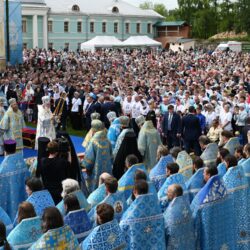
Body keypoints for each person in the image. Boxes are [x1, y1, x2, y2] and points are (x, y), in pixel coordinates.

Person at [191, 169, 236, 250]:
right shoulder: (224, 187)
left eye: (204, 173)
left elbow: (193, 213)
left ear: (208, 175)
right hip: (225, 230)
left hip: (211, 233)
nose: (203, 175)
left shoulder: (203, 195)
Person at [120, 180, 166, 250]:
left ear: (135, 191)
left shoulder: (129, 215)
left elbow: (122, 229)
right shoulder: (156, 208)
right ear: (147, 190)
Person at [223, 158, 250, 249]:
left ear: (227, 163)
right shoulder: (242, 173)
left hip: (234, 212)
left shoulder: (226, 178)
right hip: (245, 209)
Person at [0, 140, 30, 220]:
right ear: (15, 148)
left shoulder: (2, 169)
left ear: (5, 150)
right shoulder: (22, 164)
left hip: (8, 202)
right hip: (22, 201)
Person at [81, 120, 113, 193]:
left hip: (96, 171)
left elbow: (89, 160)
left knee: (96, 189)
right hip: (107, 169)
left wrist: (85, 166)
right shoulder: (107, 140)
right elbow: (111, 156)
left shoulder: (93, 141)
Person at [164, 184, 195, 250]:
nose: (167, 193)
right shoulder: (186, 205)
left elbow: (166, 228)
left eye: (169, 192)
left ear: (175, 195)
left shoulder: (171, 210)